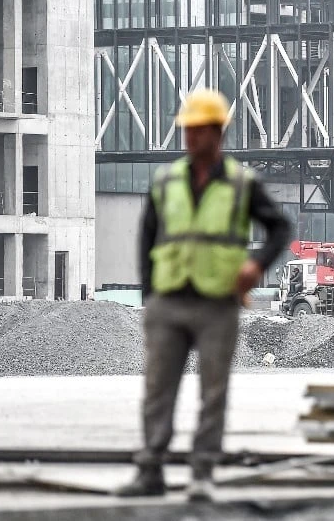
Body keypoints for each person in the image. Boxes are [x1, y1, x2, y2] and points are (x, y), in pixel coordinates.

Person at [115, 89, 291, 500]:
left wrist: (257, 265)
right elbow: (147, 237)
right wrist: (150, 295)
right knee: (158, 388)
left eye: (197, 131)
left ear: (217, 132)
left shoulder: (241, 183)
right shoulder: (168, 181)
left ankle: (202, 474)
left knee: (214, 392)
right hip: (170, 299)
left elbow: (279, 228)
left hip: (218, 302)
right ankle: (150, 471)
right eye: (187, 131)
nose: (190, 138)